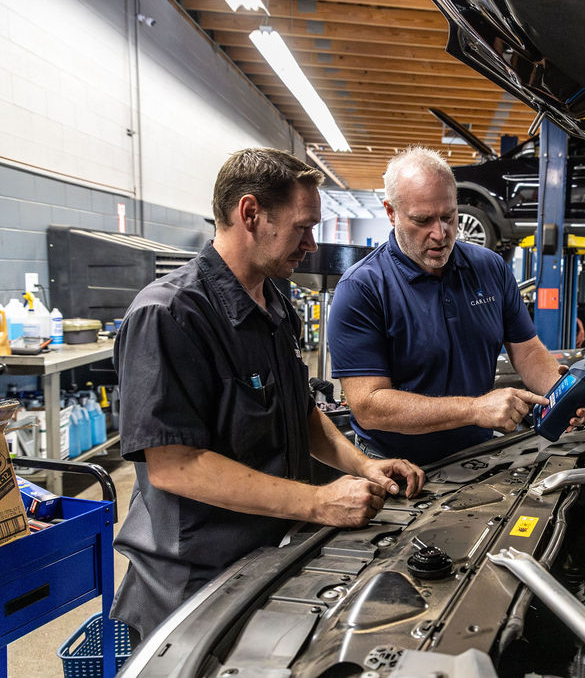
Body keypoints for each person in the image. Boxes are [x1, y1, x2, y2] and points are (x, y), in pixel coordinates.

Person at [110, 148, 425, 640]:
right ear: (251, 213)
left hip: (268, 558)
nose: (312, 243)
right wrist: (319, 503)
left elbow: (297, 410)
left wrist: (362, 465)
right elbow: (176, 465)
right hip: (192, 588)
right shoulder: (169, 315)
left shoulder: (274, 301)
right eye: (303, 227)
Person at [328, 146, 585, 466]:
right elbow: (369, 406)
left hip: (476, 456)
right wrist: (474, 409)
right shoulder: (361, 289)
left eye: (448, 216)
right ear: (390, 211)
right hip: (391, 464)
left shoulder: (490, 268)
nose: (440, 233)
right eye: (423, 220)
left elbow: (526, 351)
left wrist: (560, 392)